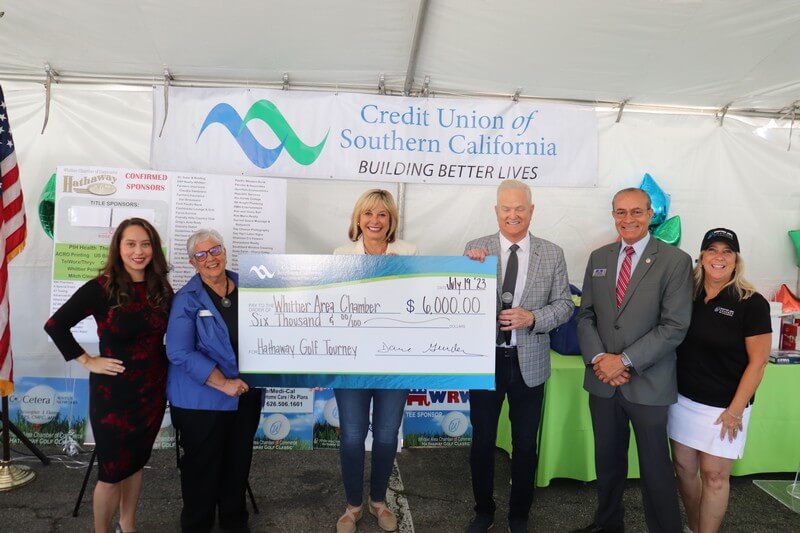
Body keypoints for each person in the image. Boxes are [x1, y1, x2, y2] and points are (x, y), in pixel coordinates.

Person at [574, 187, 693, 533]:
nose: (629, 219)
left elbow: (674, 326)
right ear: (613, 215)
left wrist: (623, 361)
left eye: (637, 212)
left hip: (649, 383)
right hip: (603, 382)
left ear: (650, 214)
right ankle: (608, 525)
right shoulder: (599, 257)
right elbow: (586, 316)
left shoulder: (675, 260)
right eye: (621, 212)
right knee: (607, 463)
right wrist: (601, 359)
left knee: (656, 470)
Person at [45, 218, 173, 533]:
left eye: (145, 244)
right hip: (113, 395)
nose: (138, 251)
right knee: (112, 472)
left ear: (154, 249)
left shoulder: (161, 287)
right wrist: (87, 360)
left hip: (152, 391)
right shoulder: (101, 288)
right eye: (131, 244)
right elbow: (55, 325)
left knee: (136, 462)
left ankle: (127, 525)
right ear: (118, 247)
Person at [463, 180, 573, 533]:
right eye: (506, 208)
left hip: (530, 363)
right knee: (482, 442)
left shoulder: (552, 253)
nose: (513, 215)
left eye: (520, 208)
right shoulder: (475, 249)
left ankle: (519, 516)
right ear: (496, 211)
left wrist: (533, 318)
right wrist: (467, 269)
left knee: (525, 445)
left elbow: (565, 305)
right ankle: (483, 511)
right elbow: (460, 299)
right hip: (486, 362)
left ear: (531, 210)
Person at [668, 228, 771, 533]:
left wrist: (735, 410)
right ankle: (695, 527)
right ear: (701, 257)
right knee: (684, 470)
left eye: (727, 251)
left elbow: (758, 362)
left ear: (736, 259)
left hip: (725, 408)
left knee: (714, 477)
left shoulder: (752, 303)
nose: (719, 257)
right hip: (682, 401)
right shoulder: (687, 295)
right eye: (712, 250)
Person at [165, 229, 263, 533]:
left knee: (238, 465)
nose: (211, 258)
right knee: (202, 471)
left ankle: (235, 524)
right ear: (193, 262)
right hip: (200, 401)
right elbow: (178, 351)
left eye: (215, 250)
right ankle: (197, 526)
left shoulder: (253, 287)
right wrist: (223, 383)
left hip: (245, 395)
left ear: (225, 251)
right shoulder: (186, 299)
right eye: (201, 254)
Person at [333, 189, 417, 533]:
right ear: (358, 218)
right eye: (368, 213)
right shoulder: (340, 255)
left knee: (385, 435)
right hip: (352, 364)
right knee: (352, 436)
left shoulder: (410, 253)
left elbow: (422, 300)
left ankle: (378, 502)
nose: (375, 221)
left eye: (382, 214)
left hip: (394, 362)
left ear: (391, 220)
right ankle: (353, 506)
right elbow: (333, 308)